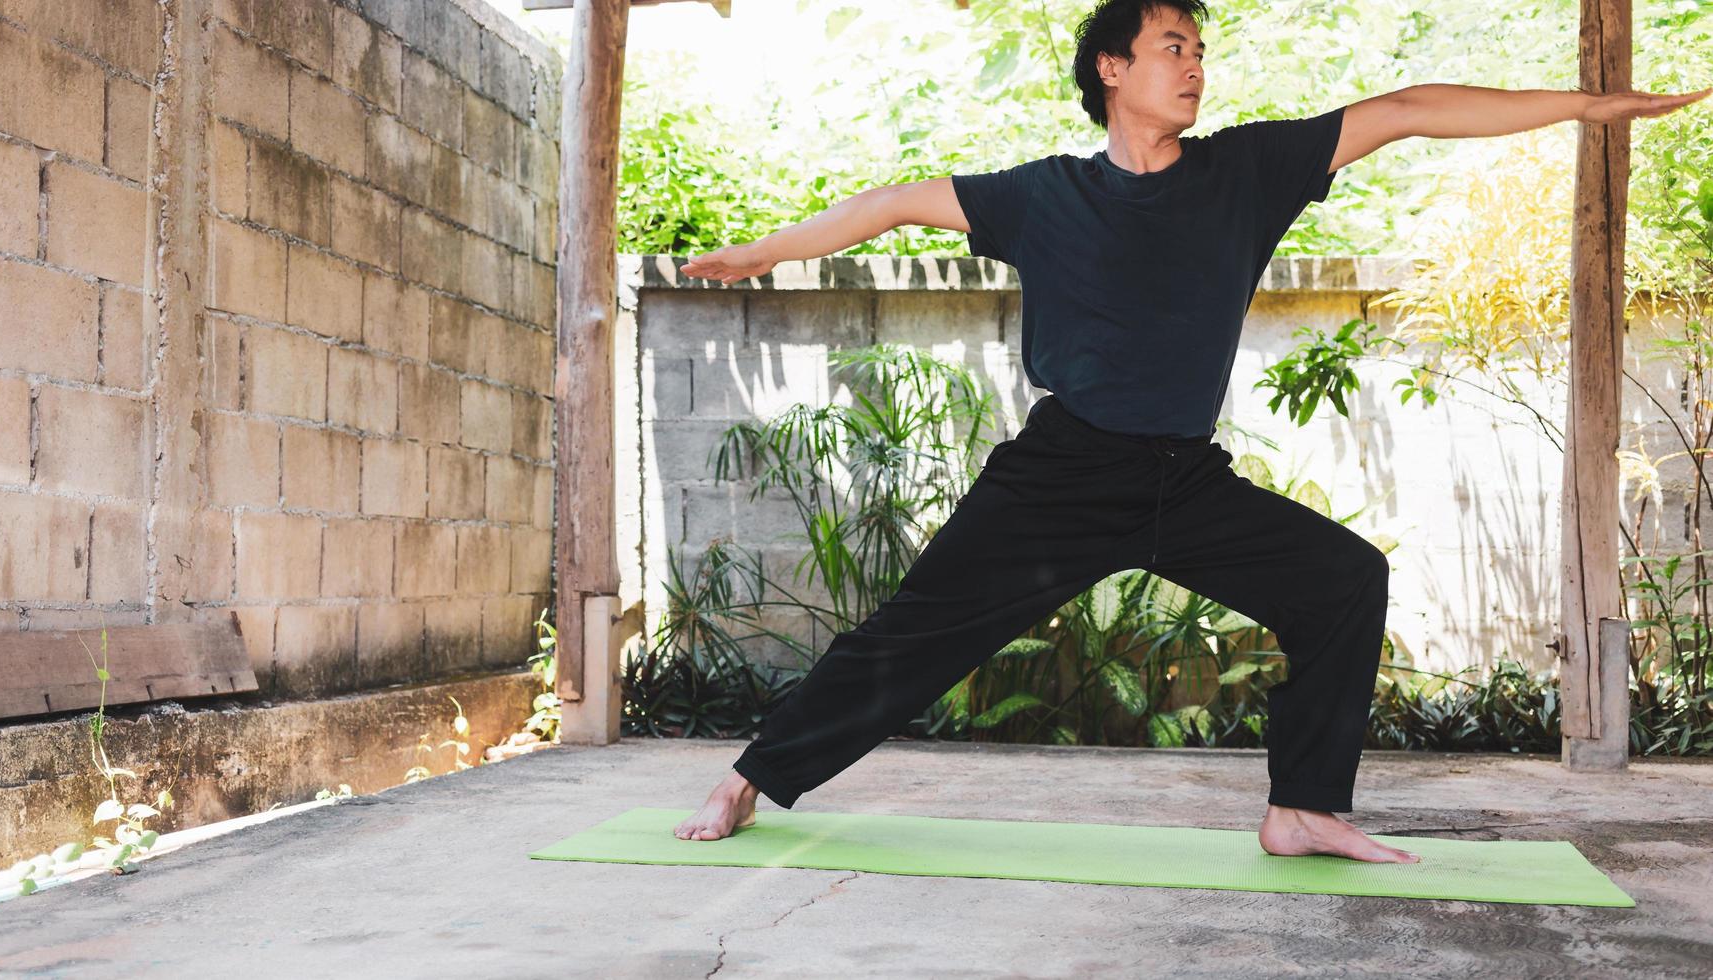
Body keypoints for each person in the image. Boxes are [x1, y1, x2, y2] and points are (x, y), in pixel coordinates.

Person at [670, 0, 1711, 862]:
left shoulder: (1242, 174)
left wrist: (1587, 104)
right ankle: (748, 779)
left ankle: (1300, 806)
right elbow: (892, 201)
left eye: (1200, 50)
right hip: (1061, 472)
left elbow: (1401, 109)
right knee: (912, 635)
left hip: (1184, 477)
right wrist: (760, 253)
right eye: (1173, 47)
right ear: (1111, 68)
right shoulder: (1042, 195)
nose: (1194, 66)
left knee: (1343, 579)